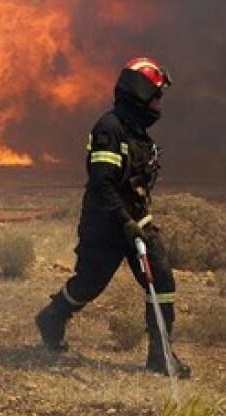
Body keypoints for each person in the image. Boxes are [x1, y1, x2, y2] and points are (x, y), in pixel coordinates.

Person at [34, 57, 191, 378]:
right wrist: (124, 222)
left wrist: (138, 222)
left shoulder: (138, 134)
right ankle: (53, 316)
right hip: (104, 225)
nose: (159, 103)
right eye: (156, 95)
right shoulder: (110, 129)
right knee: (88, 285)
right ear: (138, 92)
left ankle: (160, 356)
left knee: (161, 280)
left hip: (135, 221)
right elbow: (102, 184)